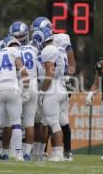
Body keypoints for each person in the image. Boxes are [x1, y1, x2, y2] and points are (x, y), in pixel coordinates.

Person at [9, 21, 38, 161]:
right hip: (33, 84)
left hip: (20, 83)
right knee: (30, 122)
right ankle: (27, 153)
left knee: (15, 120)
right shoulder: (34, 49)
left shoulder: (13, 50)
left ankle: (16, 151)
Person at [38, 27, 68, 161]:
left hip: (53, 89)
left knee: (53, 123)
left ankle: (58, 153)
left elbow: (49, 75)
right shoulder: (60, 49)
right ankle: (58, 152)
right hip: (62, 86)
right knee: (56, 122)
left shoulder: (48, 50)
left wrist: (41, 92)